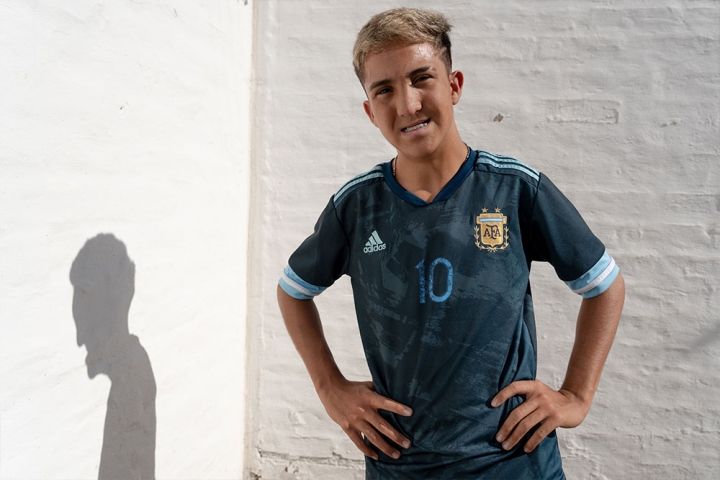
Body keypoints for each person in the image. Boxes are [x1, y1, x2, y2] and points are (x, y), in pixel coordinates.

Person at [277, 7, 625, 479]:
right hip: (400, 464)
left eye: (422, 78)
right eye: (384, 90)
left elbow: (604, 284)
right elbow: (293, 291)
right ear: (369, 110)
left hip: (512, 462)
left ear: (454, 85)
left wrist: (575, 397)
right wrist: (329, 387)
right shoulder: (356, 207)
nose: (408, 104)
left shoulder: (515, 190)